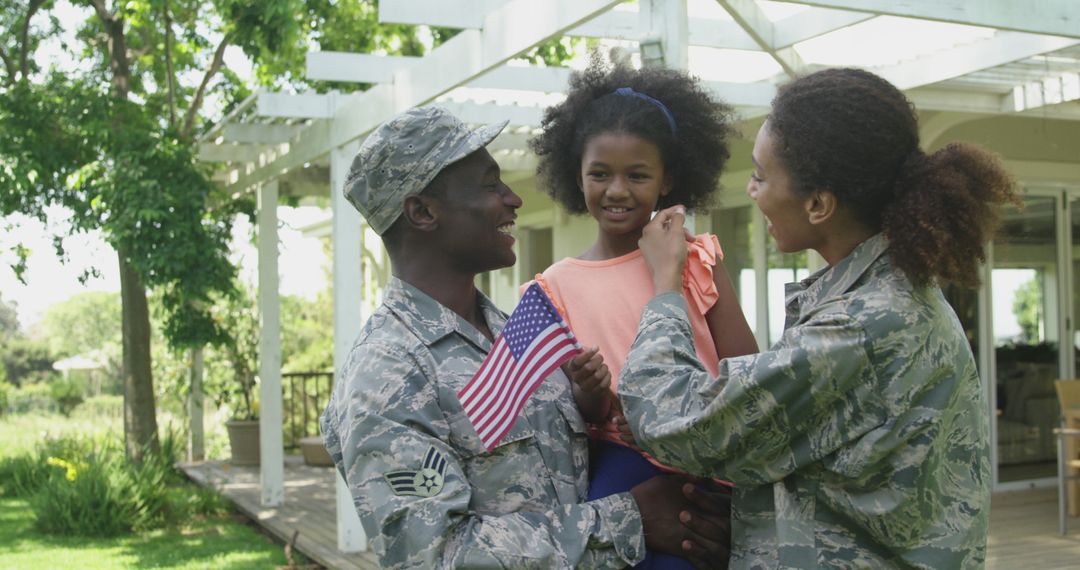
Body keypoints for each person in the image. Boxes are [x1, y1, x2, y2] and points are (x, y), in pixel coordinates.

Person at [617, 67, 1020, 569]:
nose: (751, 190)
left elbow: (672, 420)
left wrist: (666, 287)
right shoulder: (887, 297)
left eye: (762, 176)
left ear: (818, 204)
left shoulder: (862, 325)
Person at [320, 106, 732, 569]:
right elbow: (437, 556)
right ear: (422, 211)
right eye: (490, 185)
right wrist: (634, 519)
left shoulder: (519, 333)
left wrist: (692, 516)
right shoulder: (387, 373)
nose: (513, 199)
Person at [526, 55, 758, 569]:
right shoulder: (554, 288)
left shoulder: (697, 259)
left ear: (667, 178)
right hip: (625, 466)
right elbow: (579, 418)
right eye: (600, 174)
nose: (616, 190)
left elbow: (746, 368)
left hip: (709, 464)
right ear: (576, 174)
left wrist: (680, 419)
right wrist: (591, 394)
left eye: (637, 175)